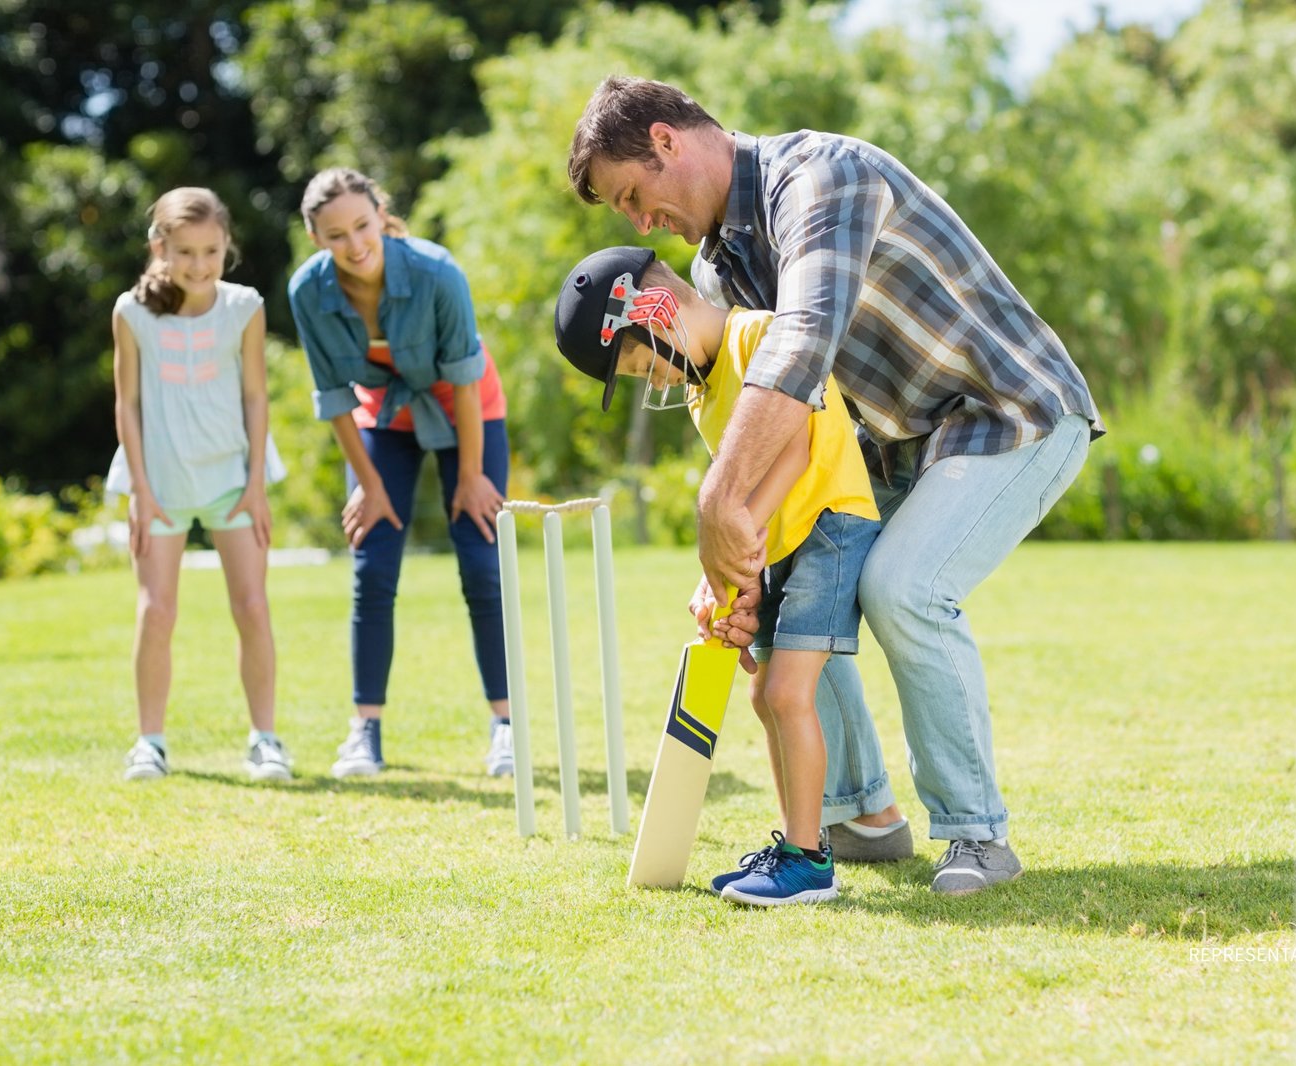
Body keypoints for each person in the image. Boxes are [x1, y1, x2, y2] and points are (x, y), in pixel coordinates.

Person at [567, 76, 1103, 894]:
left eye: (635, 195)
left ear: (668, 140)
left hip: (1010, 412)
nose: (643, 224)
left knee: (901, 588)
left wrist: (722, 505)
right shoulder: (715, 276)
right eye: (625, 214)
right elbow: (792, 429)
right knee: (784, 609)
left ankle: (977, 837)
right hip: (887, 451)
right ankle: (860, 819)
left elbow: (804, 342)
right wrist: (733, 571)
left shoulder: (821, 177)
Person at [554, 245, 881, 905]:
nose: (656, 380)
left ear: (656, 310)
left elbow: (793, 449)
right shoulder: (705, 396)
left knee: (789, 694)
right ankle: (795, 841)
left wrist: (737, 549)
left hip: (829, 522)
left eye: (644, 362)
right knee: (765, 698)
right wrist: (724, 580)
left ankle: (810, 862)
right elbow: (737, 500)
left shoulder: (758, 335)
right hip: (784, 538)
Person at [287, 167, 512, 780]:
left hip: (467, 409)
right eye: (336, 235)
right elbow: (333, 397)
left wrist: (470, 475)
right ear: (316, 239)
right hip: (382, 419)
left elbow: (465, 380)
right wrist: (370, 484)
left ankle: (507, 726)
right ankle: (365, 731)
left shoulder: (438, 272)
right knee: (373, 563)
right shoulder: (308, 292)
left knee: (480, 559)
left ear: (381, 215)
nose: (355, 244)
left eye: (363, 226)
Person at [107, 186, 289, 783]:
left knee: (253, 606)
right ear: (159, 247)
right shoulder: (131, 312)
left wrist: (255, 484)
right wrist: (140, 488)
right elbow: (127, 404)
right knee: (156, 611)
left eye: (211, 250)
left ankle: (265, 740)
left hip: (233, 479)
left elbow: (256, 395)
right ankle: (149, 743)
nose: (199, 264)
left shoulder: (245, 307)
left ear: (226, 246)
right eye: (185, 251)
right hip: (159, 480)